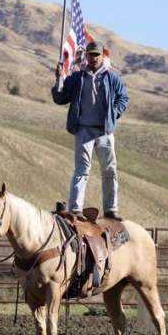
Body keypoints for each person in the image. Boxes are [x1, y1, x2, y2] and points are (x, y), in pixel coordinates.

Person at [52, 41, 129, 221]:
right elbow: (60, 97)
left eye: (96, 55)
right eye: (90, 54)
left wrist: (113, 113)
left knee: (109, 170)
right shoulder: (77, 78)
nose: (93, 58)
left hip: (104, 131)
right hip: (84, 130)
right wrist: (59, 79)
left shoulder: (111, 78)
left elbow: (123, 97)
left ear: (102, 56)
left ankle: (111, 209)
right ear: (85, 56)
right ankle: (75, 209)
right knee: (82, 170)